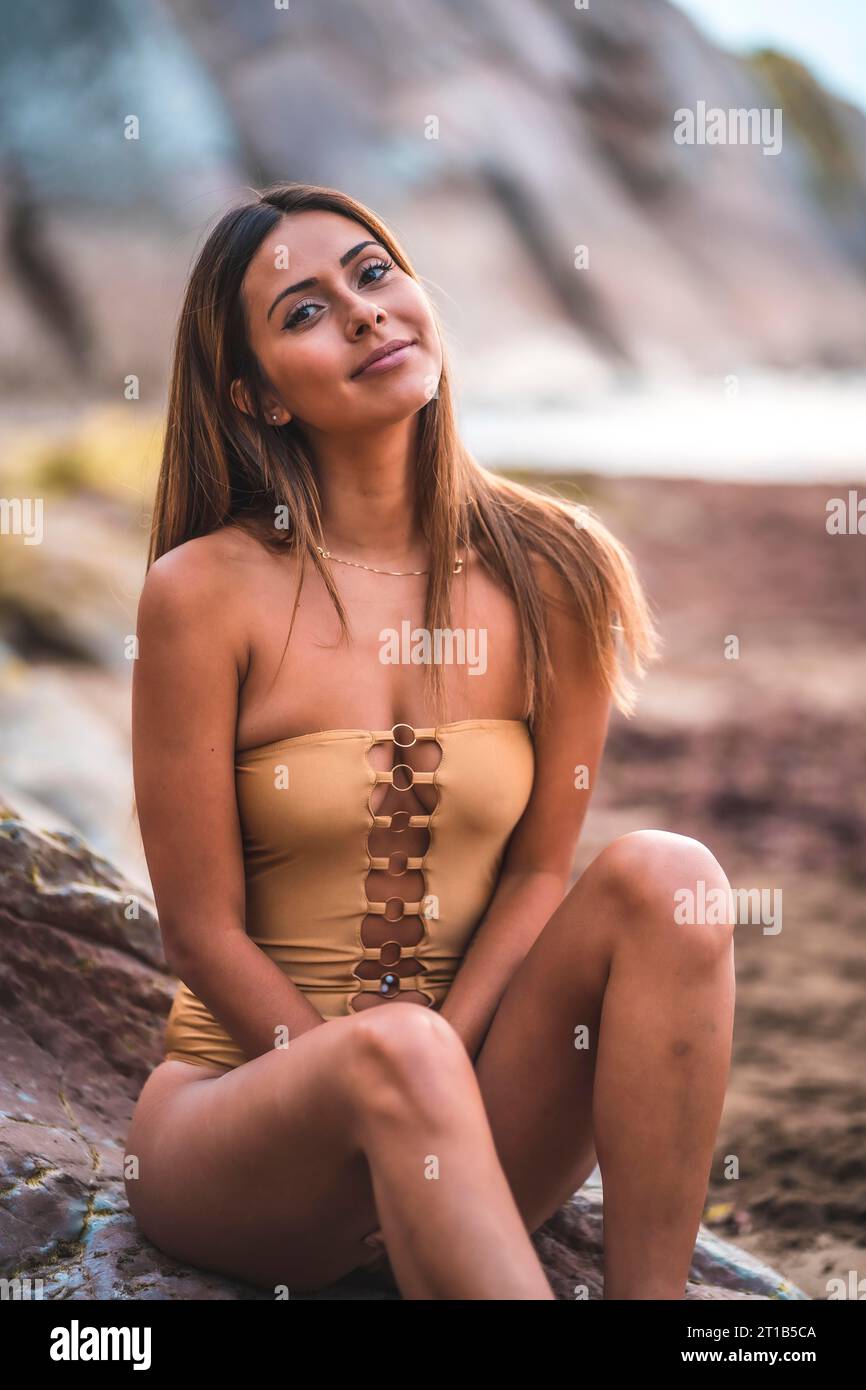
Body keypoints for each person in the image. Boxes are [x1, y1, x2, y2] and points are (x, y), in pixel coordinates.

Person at [123, 182, 736, 1300]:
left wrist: (443, 1079)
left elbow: (543, 869)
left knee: (671, 877)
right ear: (254, 398)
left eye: (371, 273)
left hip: (473, 1098)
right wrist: (375, 1086)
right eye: (302, 311)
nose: (363, 314)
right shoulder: (201, 592)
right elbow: (200, 932)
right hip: (249, 1124)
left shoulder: (555, 568)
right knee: (391, 1050)